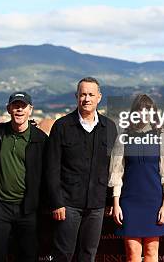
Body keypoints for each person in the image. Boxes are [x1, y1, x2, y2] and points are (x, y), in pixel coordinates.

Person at [46, 77, 117, 262]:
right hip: (67, 204)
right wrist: (56, 202)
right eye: (83, 94)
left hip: (97, 205)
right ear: (76, 96)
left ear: (99, 97)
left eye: (91, 94)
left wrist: (110, 199)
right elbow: (51, 168)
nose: (87, 98)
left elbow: (113, 167)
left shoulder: (109, 127)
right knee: (63, 254)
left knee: (88, 254)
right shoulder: (62, 126)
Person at [109, 94, 164, 262]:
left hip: (154, 201)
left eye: (148, 111)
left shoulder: (163, 137)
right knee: (132, 253)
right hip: (129, 202)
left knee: (151, 251)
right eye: (140, 110)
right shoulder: (123, 137)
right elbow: (116, 173)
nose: (143, 114)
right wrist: (116, 204)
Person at [0, 92, 48, 262]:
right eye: (15, 106)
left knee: (28, 255)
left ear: (30, 110)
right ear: (8, 109)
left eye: (23, 106)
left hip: (27, 209)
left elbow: (48, 173)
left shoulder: (40, 140)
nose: (19, 109)